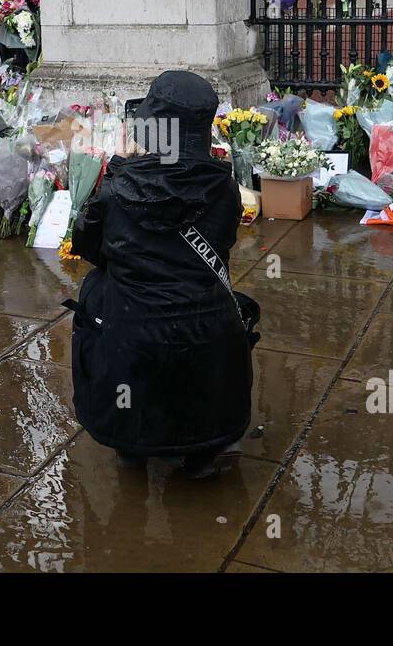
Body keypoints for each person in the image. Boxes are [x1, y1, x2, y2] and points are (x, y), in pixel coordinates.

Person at [67, 70, 258, 478]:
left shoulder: (117, 192)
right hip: (207, 338)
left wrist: (118, 169)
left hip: (133, 338)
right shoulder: (223, 188)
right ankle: (201, 444)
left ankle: (131, 442)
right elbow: (221, 247)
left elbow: (88, 249)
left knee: (97, 291)